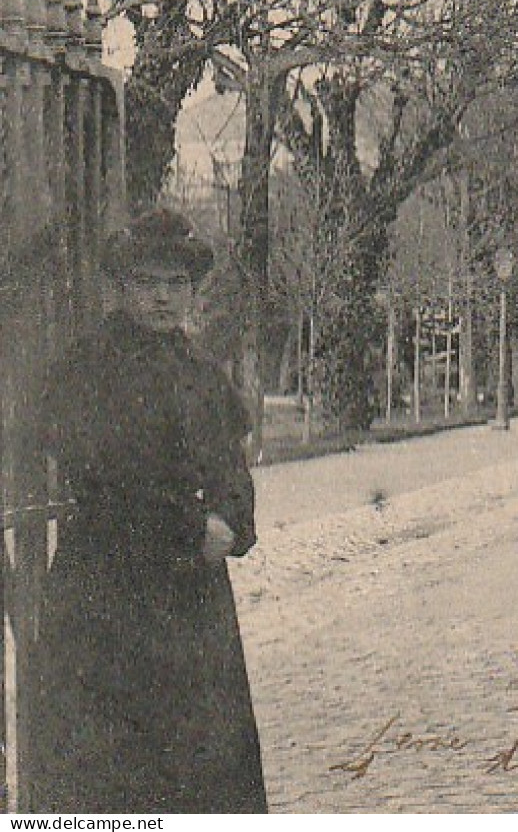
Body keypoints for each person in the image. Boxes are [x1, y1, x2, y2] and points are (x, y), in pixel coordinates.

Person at [30, 208, 267, 813]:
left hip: (193, 610)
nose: (164, 298)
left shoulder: (201, 374)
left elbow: (233, 476)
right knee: (122, 782)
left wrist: (235, 523)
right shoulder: (90, 370)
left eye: (177, 284)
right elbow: (110, 484)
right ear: (124, 287)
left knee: (203, 777)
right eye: (149, 283)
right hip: (111, 602)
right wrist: (193, 528)